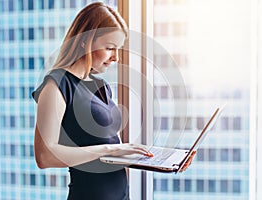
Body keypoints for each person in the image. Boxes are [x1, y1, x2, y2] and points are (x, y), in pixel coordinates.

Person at [32, 2, 195, 200]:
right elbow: (44, 156)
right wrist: (112, 149)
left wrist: (157, 161)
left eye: (118, 49)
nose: (116, 57)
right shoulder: (56, 85)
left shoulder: (101, 87)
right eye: (110, 48)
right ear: (85, 40)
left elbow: (106, 152)